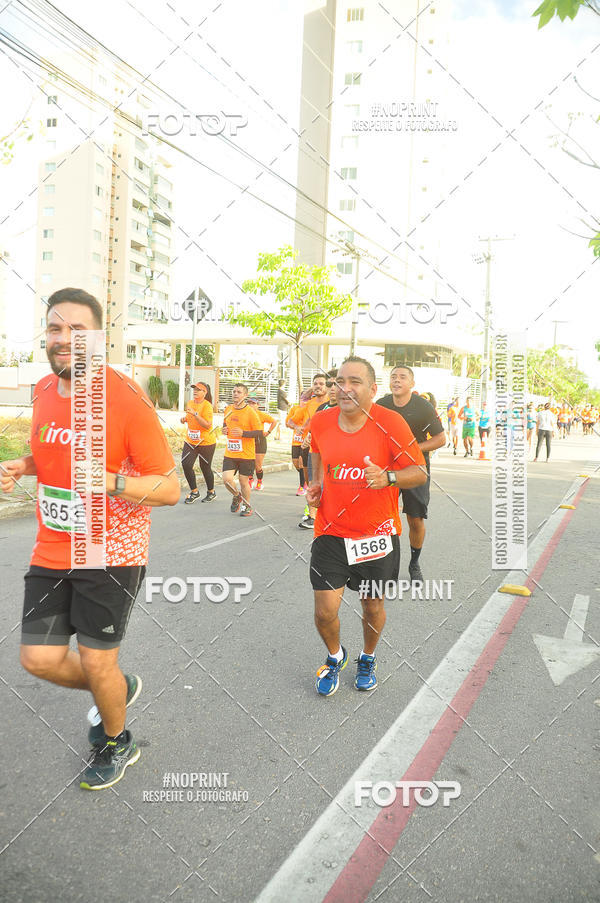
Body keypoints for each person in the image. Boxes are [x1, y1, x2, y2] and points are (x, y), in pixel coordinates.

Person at [0, 287, 179, 790]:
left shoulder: (124, 397)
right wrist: (24, 466)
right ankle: (116, 691)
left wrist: (112, 481)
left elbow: (169, 488)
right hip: (53, 545)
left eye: (78, 330)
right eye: (56, 328)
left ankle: (118, 740)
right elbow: (56, 457)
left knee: (98, 658)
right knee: (39, 658)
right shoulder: (41, 390)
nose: (65, 339)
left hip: (111, 550)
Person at [307, 356, 426, 696]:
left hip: (377, 535)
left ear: (373, 390)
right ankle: (335, 656)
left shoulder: (391, 423)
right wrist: (317, 484)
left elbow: (418, 471)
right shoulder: (321, 421)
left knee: (372, 605)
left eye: (354, 381)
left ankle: (368, 657)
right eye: (339, 380)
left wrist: (388, 477)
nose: (344, 387)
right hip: (330, 531)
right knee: (324, 609)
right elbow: (317, 453)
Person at [377, 366, 445, 584]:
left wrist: (413, 448)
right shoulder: (381, 405)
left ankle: (414, 562)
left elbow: (440, 439)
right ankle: (386, 565)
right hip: (387, 469)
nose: (397, 380)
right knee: (383, 518)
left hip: (415, 469)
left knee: (415, 520)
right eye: (393, 377)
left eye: (402, 377)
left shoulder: (422, 406)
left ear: (411, 384)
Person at [299, 370, 338, 529]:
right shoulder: (322, 407)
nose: (333, 388)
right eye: (330, 384)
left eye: (338, 384)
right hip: (317, 454)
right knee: (315, 483)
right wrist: (310, 438)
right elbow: (316, 428)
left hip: (337, 456)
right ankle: (313, 517)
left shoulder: (348, 408)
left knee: (332, 488)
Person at [221, 383, 264, 516]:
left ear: (245, 395)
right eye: (234, 391)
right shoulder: (228, 409)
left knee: (243, 481)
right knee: (226, 479)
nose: (235, 394)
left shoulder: (250, 412)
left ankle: (247, 505)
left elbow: (259, 432)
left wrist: (243, 433)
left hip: (246, 454)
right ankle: (236, 495)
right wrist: (224, 429)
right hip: (231, 452)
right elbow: (225, 424)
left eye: (239, 392)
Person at [180, 382, 216, 503]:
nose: (195, 391)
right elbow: (190, 418)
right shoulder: (190, 402)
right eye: (194, 389)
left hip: (206, 442)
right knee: (186, 464)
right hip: (191, 441)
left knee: (205, 467)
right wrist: (185, 419)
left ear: (205, 393)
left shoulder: (207, 406)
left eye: (198, 389)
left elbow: (207, 425)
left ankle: (211, 492)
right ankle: (194, 491)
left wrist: (195, 414)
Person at [247, 396, 276, 491]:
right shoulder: (245, 414)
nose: (251, 405)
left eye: (253, 403)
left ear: (257, 405)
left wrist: (268, 432)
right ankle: (250, 480)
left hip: (260, 440)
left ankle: (259, 481)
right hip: (249, 439)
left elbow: (274, 421)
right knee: (249, 462)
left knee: (257, 464)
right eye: (249, 403)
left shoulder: (261, 415)